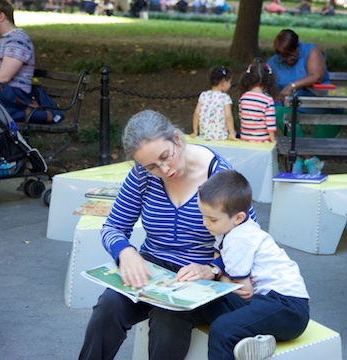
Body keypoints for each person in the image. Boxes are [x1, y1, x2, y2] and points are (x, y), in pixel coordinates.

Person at [78, 109, 257, 360]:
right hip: (153, 270)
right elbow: (113, 226)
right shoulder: (142, 175)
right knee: (108, 307)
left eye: (166, 157)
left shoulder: (218, 175)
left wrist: (213, 269)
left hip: (201, 278)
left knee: (168, 317)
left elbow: (248, 238)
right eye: (152, 166)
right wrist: (126, 252)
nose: (164, 169)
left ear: (177, 139)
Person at [196, 170, 310, 360]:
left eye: (212, 219)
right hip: (269, 302)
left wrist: (222, 277)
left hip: (287, 308)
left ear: (238, 217)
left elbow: (244, 291)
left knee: (221, 330)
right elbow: (222, 263)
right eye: (203, 216)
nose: (205, 223)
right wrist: (222, 277)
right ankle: (250, 338)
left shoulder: (238, 238)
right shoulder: (231, 229)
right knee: (209, 299)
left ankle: (239, 335)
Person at [267, 29, 340, 174]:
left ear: (297, 47)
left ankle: (301, 157)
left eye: (291, 55)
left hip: (317, 102)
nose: (288, 60)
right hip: (289, 106)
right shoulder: (273, 62)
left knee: (336, 119)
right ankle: (310, 159)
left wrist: (291, 86)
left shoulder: (311, 51)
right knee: (278, 112)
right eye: (283, 57)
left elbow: (316, 76)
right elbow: (268, 87)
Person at [190, 66, 237, 141]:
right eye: (229, 82)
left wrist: (195, 131)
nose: (230, 85)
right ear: (223, 82)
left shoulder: (203, 95)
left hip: (204, 135)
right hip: (220, 136)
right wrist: (231, 133)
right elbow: (228, 116)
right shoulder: (225, 97)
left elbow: (196, 113)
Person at [238, 59, 278, 143]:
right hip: (262, 140)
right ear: (268, 80)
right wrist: (273, 140)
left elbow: (241, 116)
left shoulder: (243, 97)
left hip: (245, 138)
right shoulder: (268, 100)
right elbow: (270, 124)